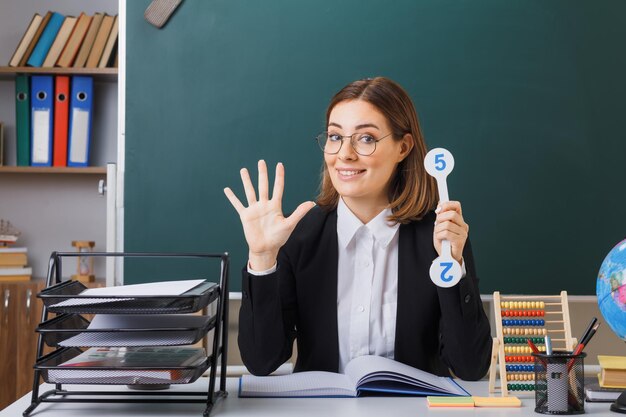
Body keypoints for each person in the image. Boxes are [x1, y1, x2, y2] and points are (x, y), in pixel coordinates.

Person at [224, 77, 492, 380]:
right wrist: (261, 258)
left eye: (366, 138)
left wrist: (454, 266)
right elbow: (262, 361)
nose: (345, 154)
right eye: (335, 136)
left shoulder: (440, 238)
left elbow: (470, 366)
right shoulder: (298, 236)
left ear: (403, 147)